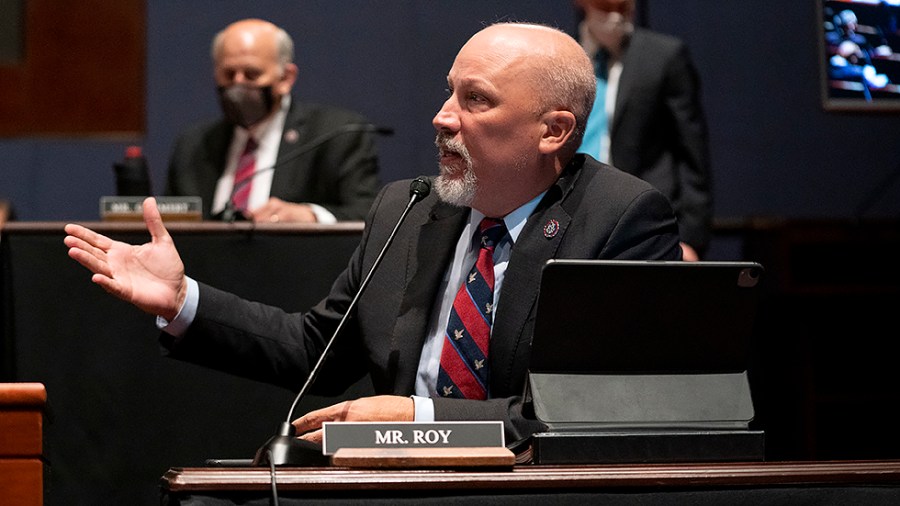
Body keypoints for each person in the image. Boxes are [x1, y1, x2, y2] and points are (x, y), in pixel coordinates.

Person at [65, 22, 681, 447]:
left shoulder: (621, 219)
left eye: (476, 101)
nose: (443, 117)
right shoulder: (408, 210)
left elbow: (595, 412)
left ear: (553, 130)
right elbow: (313, 351)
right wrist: (182, 301)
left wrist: (417, 417)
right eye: (448, 92)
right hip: (393, 484)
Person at [164, 18, 381, 223]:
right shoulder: (194, 145)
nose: (238, 85)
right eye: (229, 74)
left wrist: (310, 216)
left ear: (286, 78)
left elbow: (369, 214)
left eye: (251, 75)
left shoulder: (335, 134)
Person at [574, 0, 712, 261]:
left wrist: (691, 238)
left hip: (646, 218)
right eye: (605, 8)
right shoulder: (561, 57)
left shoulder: (663, 55)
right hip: (577, 215)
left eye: (624, 9)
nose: (615, 18)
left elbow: (692, 154)